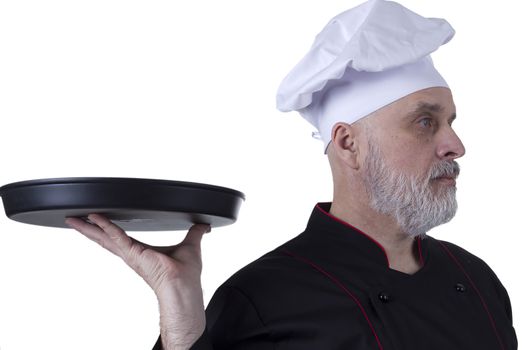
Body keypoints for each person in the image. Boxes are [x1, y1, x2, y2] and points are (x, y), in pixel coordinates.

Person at [66, 0, 518, 349]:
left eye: (451, 122)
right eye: (426, 122)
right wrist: (182, 321)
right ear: (348, 144)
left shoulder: (477, 279)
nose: (455, 145)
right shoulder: (264, 297)